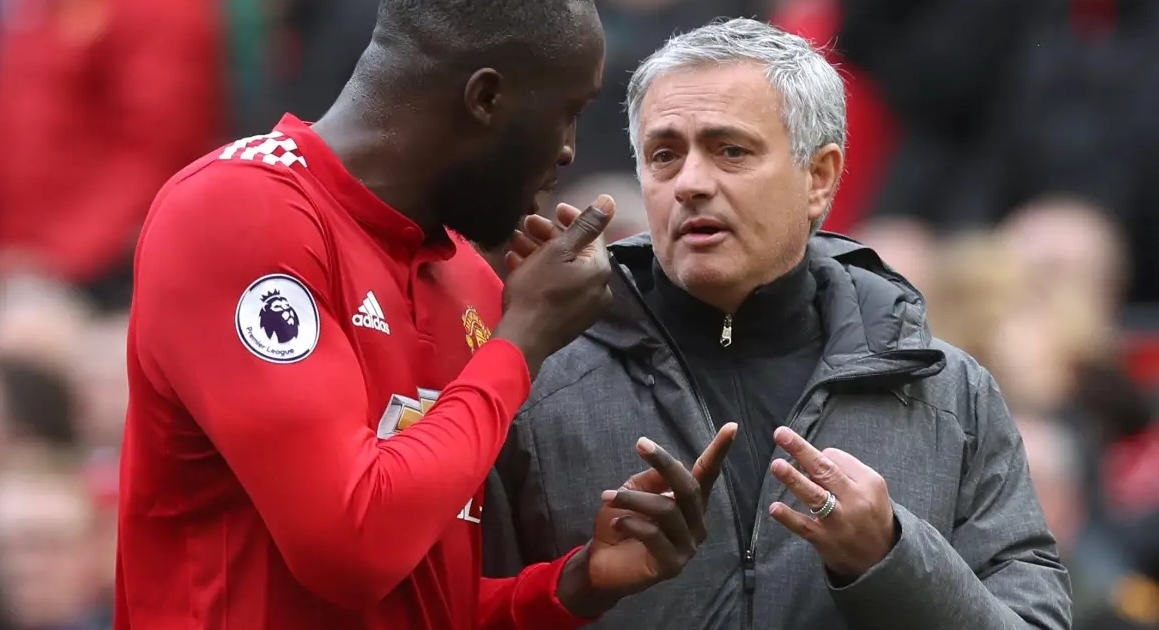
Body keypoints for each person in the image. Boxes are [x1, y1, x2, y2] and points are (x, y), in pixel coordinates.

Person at [115, 1, 738, 628]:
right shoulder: (238, 212)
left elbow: (419, 603)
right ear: (486, 98)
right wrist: (522, 341)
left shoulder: (468, 279)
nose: (569, 150)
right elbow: (352, 548)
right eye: (566, 112)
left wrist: (577, 583)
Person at [485, 18, 1073, 629]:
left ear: (819, 177)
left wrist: (891, 559)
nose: (690, 184)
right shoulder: (535, 381)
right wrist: (582, 580)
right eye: (664, 155)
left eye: (731, 151)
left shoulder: (947, 393)